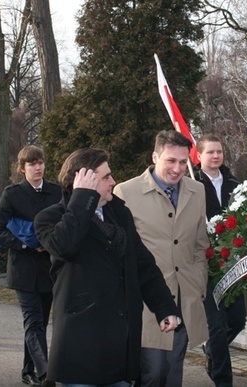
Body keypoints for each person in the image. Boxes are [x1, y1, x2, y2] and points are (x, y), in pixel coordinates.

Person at [34, 148, 179, 386]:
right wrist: (82, 199)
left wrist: (164, 307)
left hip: (119, 346)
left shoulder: (119, 214)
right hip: (81, 346)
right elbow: (65, 246)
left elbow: (143, 265)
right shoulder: (50, 218)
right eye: (105, 177)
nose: (113, 181)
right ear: (84, 181)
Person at [114, 130, 209, 386]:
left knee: (172, 371)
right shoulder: (125, 192)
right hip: (147, 300)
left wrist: (198, 281)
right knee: (152, 371)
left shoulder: (197, 190)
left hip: (184, 296)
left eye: (182, 161)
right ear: (155, 156)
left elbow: (201, 244)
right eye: (170, 160)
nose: (177, 168)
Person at [0, 146, 61, 385]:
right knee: (33, 321)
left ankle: (28, 370)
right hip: (24, 268)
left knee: (39, 321)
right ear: (22, 168)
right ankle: (45, 373)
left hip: (50, 269)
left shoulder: (56, 192)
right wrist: (24, 245)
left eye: (40, 162)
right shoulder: (12, 194)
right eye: (32, 164)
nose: (38, 167)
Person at [192, 135, 246, 387]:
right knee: (216, 324)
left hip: (232, 262)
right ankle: (223, 378)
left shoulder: (235, 183)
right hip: (205, 263)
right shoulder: (190, 183)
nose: (216, 156)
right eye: (210, 152)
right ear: (199, 156)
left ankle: (213, 351)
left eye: (219, 152)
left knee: (236, 320)